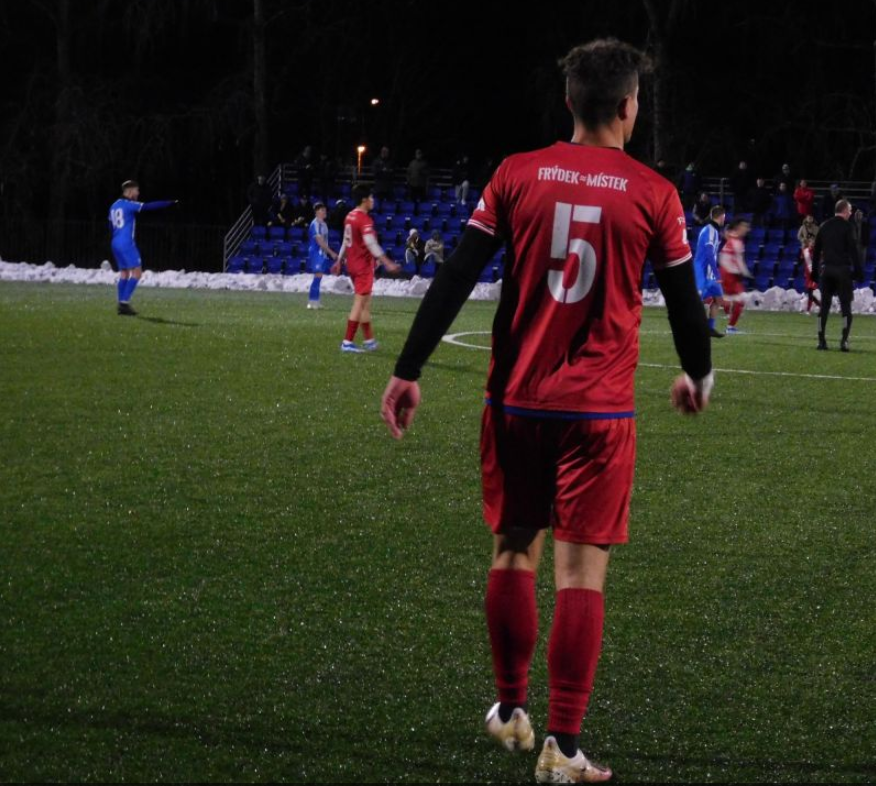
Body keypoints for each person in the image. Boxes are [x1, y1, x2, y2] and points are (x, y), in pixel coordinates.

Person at [380, 38, 713, 784]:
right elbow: (687, 306)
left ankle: (509, 710)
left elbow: (456, 274)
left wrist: (408, 369)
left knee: (512, 551)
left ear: (569, 101)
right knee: (581, 574)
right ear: (628, 107)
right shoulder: (653, 192)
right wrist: (698, 374)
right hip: (598, 416)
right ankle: (563, 747)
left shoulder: (515, 174)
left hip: (516, 403)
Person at [331, 183, 400, 352]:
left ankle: (369, 340)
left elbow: (346, 241)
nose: (373, 200)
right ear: (364, 200)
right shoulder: (364, 220)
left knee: (365, 303)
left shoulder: (349, 216)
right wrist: (387, 262)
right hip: (363, 267)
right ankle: (347, 342)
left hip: (353, 265)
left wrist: (339, 260)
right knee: (359, 303)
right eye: (371, 197)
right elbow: (371, 243)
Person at [108, 180, 177, 316]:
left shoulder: (114, 205)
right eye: (137, 190)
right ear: (130, 191)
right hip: (126, 242)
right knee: (137, 272)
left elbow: (110, 226)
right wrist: (169, 202)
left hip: (115, 241)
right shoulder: (129, 204)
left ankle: (121, 304)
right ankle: (124, 303)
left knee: (124, 273)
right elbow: (148, 206)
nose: (138, 193)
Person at [812, 199, 862, 351]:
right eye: (850, 210)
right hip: (842, 271)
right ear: (845, 211)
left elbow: (816, 252)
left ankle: (821, 341)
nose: (851, 213)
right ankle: (844, 341)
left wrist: (814, 272)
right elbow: (853, 250)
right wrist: (858, 271)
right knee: (846, 308)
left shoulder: (824, 225)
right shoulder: (848, 227)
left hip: (827, 270)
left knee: (824, 308)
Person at [694, 205, 727, 338]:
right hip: (703, 272)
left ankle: (710, 328)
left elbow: (712, 253)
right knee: (697, 302)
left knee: (718, 299)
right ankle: (693, 327)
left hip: (710, 273)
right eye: (724, 216)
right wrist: (716, 273)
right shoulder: (710, 231)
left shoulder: (713, 231)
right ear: (721, 216)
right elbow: (708, 253)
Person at [718, 218, 752, 334]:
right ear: (739, 227)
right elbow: (737, 261)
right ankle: (730, 327)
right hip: (729, 275)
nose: (747, 229)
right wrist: (745, 272)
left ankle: (730, 324)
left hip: (727, 274)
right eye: (745, 227)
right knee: (740, 299)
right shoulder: (736, 242)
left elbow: (723, 257)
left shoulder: (733, 239)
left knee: (732, 299)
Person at [306, 202, 339, 309]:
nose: (325, 212)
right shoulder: (315, 224)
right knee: (318, 276)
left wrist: (327, 252)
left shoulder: (324, 224)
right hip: (316, 252)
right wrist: (331, 253)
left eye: (325, 210)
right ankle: (311, 302)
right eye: (322, 210)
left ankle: (315, 300)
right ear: (316, 212)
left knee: (319, 277)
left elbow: (325, 241)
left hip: (322, 253)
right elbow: (319, 241)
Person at [801, 237, 821, 315]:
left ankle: (808, 310)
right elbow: (802, 261)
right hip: (808, 275)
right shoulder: (805, 251)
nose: (812, 244)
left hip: (813, 275)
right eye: (811, 242)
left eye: (813, 243)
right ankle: (821, 306)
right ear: (808, 243)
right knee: (810, 293)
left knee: (810, 293)